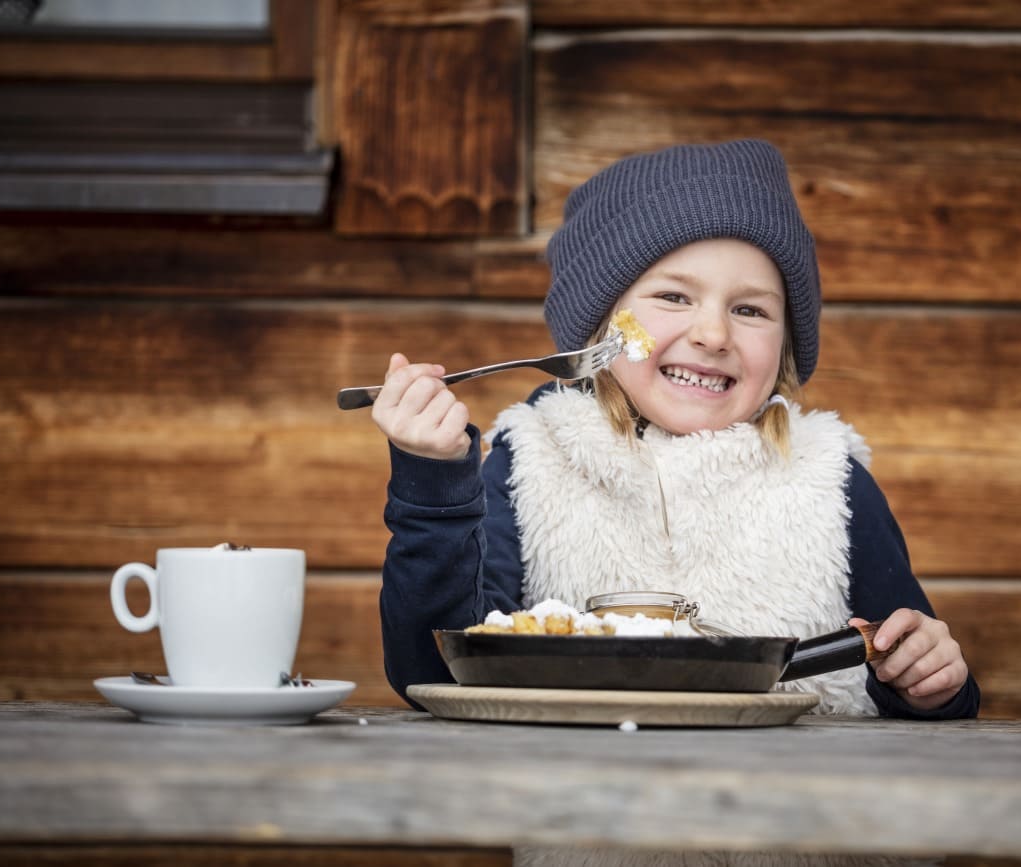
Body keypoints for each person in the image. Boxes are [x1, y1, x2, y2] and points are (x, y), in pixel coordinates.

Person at [371, 139, 979, 864]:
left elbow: (925, 684)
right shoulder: (530, 462)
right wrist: (434, 481)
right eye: (673, 296)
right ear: (599, 330)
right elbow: (434, 673)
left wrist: (933, 682)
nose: (714, 333)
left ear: (785, 343)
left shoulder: (830, 478)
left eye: (751, 309)